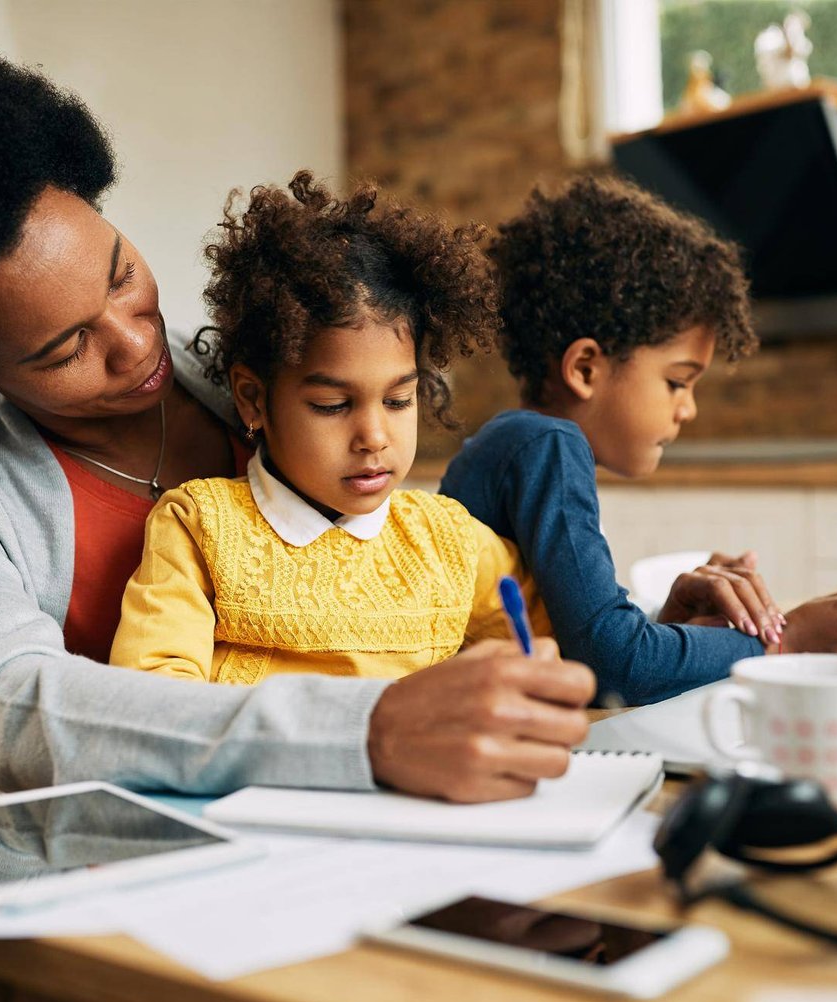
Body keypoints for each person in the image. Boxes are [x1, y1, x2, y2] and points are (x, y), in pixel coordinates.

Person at [0, 17, 592, 804]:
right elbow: (19, 712)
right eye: (66, 347)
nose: (138, 341)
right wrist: (363, 730)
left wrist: (635, 632)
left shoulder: (254, 367)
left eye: (120, 274)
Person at [440, 175, 837, 707]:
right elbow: (619, 664)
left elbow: (581, 656)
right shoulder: (547, 446)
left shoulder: (519, 445)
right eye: (677, 381)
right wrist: (784, 641)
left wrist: (672, 624)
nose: (689, 407)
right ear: (585, 367)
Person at [110, 172, 546, 683]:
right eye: (334, 405)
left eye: (398, 399)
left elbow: (548, 636)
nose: (374, 437)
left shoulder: (448, 539)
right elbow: (154, 696)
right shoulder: (200, 528)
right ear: (254, 398)